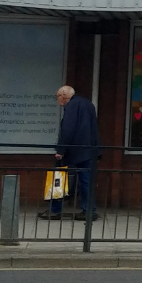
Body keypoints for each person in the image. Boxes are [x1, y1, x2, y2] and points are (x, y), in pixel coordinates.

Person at [48, 85, 99, 222]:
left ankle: (55, 210)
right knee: (86, 182)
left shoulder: (72, 106)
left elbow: (68, 129)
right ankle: (89, 211)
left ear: (64, 95)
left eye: (58, 96)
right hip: (89, 150)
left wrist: (61, 150)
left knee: (59, 177)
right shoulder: (88, 104)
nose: (58, 100)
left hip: (74, 150)